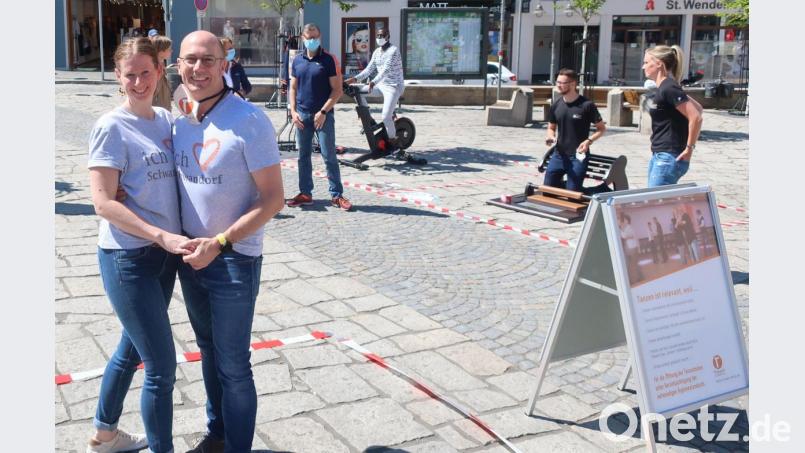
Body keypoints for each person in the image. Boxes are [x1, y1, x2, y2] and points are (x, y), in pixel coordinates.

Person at [174, 30, 285, 452]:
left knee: (234, 365)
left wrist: (219, 242)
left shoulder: (249, 120)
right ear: (178, 65)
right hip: (191, 258)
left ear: (225, 64)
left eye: (208, 60)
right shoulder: (182, 118)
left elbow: (273, 199)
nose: (198, 68)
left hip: (233, 258)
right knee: (207, 351)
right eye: (190, 59)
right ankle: (217, 435)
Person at [85, 37, 193, 453]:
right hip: (128, 257)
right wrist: (160, 234)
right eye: (130, 74)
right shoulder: (111, 126)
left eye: (146, 72)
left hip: (164, 258)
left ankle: (104, 433)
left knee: (131, 347)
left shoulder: (165, 120)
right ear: (118, 76)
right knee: (161, 366)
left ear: (159, 71)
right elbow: (103, 203)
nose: (138, 82)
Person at [286, 23, 352, 211]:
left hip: (323, 116)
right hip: (302, 115)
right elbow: (293, 87)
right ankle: (305, 193)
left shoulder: (329, 60)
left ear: (320, 37)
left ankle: (336, 195)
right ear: (303, 38)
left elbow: (337, 90)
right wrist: (293, 111)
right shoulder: (297, 60)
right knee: (303, 156)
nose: (312, 40)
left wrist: (323, 112)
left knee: (329, 155)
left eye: (315, 37)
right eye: (309, 37)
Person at [642, 45, 704, 187]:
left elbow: (696, 117)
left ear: (659, 63)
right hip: (660, 154)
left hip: (668, 156)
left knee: (656, 200)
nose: (643, 66)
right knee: (657, 199)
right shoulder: (667, 87)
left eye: (646, 62)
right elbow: (699, 108)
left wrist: (689, 148)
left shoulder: (668, 87)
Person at [544, 68, 606, 192]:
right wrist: (550, 136)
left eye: (562, 83)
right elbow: (551, 127)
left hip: (578, 156)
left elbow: (601, 129)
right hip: (559, 155)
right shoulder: (556, 105)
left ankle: (601, 191)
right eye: (557, 82)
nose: (558, 85)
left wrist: (588, 141)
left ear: (572, 84)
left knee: (573, 193)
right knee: (547, 190)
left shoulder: (587, 105)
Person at [345, 26, 405, 149]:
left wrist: (373, 82)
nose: (379, 38)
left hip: (394, 86)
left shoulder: (394, 51)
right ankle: (369, 119)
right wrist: (353, 79)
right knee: (356, 91)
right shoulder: (377, 52)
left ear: (388, 36)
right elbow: (369, 69)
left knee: (386, 116)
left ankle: (393, 141)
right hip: (380, 85)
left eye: (382, 35)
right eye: (378, 35)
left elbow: (385, 71)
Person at [149, 34, 173, 110]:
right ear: (161, 51)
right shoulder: (155, 67)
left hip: (164, 105)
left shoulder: (161, 64)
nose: (171, 51)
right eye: (169, 49)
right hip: (158, 108)